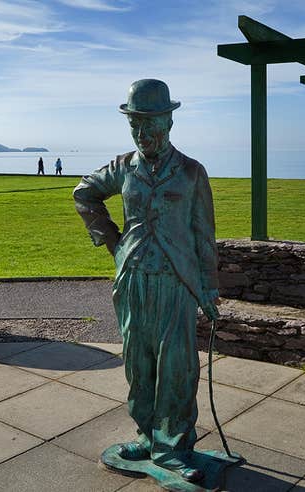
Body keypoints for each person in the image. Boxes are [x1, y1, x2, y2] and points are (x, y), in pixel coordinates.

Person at [73, 79, 218, 483]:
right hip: (134, 278)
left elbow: (204, 235)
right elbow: (84, 194)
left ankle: (173, 447)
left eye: (149, 123)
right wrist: (114, 243)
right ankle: (147, 433)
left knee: (176, 366)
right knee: (138, 363)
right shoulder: (123, 167)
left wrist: (209, 287)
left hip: (175, 282)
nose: (142, 133)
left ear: (169, 121)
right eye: (135, 124)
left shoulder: (191, 172)